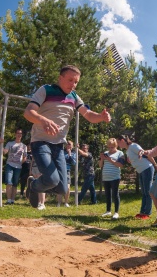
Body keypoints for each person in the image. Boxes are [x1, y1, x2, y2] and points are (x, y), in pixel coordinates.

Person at [23, 65, 111, 208]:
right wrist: (43, 120)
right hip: (40, 142)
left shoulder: (74, 96)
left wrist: (101, 117)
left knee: (63, 188)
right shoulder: (46, 90)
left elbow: (88, 114)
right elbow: (28, 112)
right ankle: (35, 186)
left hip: (58, 146)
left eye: (76, 82)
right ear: (60, 78)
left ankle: (35, 185)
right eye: (70, 80)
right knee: (52, 179)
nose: (73, 85)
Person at [116, 135, 156, 220]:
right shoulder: (128, 150)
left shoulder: (133, 146)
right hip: (141, 171)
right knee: (144, 192)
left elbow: (142, 152)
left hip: (147, 169)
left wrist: (141, 153)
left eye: (118, 142)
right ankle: (142, 212)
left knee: (148, 192)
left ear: (122, 140)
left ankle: (147, 213)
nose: (118, 144)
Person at [99, 138, 125, 219]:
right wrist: (102, 159)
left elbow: (121, 165)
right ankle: (108, 211)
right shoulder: (106, 153)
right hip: (106, 177)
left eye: (112, 147)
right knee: (107, 195)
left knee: (115, 194)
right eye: (109, 147)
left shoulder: (120, 153)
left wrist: (110, 160)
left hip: (115, 177)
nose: (110, 149)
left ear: (116, 146)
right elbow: (100, 166)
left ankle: (116, 212)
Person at [1, 128, 27, 205]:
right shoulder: (10, 143)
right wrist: (0, 144)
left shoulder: (24, 146)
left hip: (18, 167)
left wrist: (20, 163)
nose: (19, 135)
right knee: (9, 182)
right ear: (15, 134)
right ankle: (8, 200)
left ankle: (12, 200)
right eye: (18, 133)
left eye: (20, 133)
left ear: (22, 135)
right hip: (9, 165)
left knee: (15, 183)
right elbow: (5, 152)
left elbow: (25, 157)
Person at [57, 140, 76, 207]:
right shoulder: (62, 152)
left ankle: (66, 202)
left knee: (67, 187)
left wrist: (70, 154)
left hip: (67, 171)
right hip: (60, 170)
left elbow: (74, 163)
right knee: (60, 186)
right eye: (67, 145)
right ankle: (59, 202)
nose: (68, 146)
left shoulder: (73, 153)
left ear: (72, 146)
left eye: (70, 145)